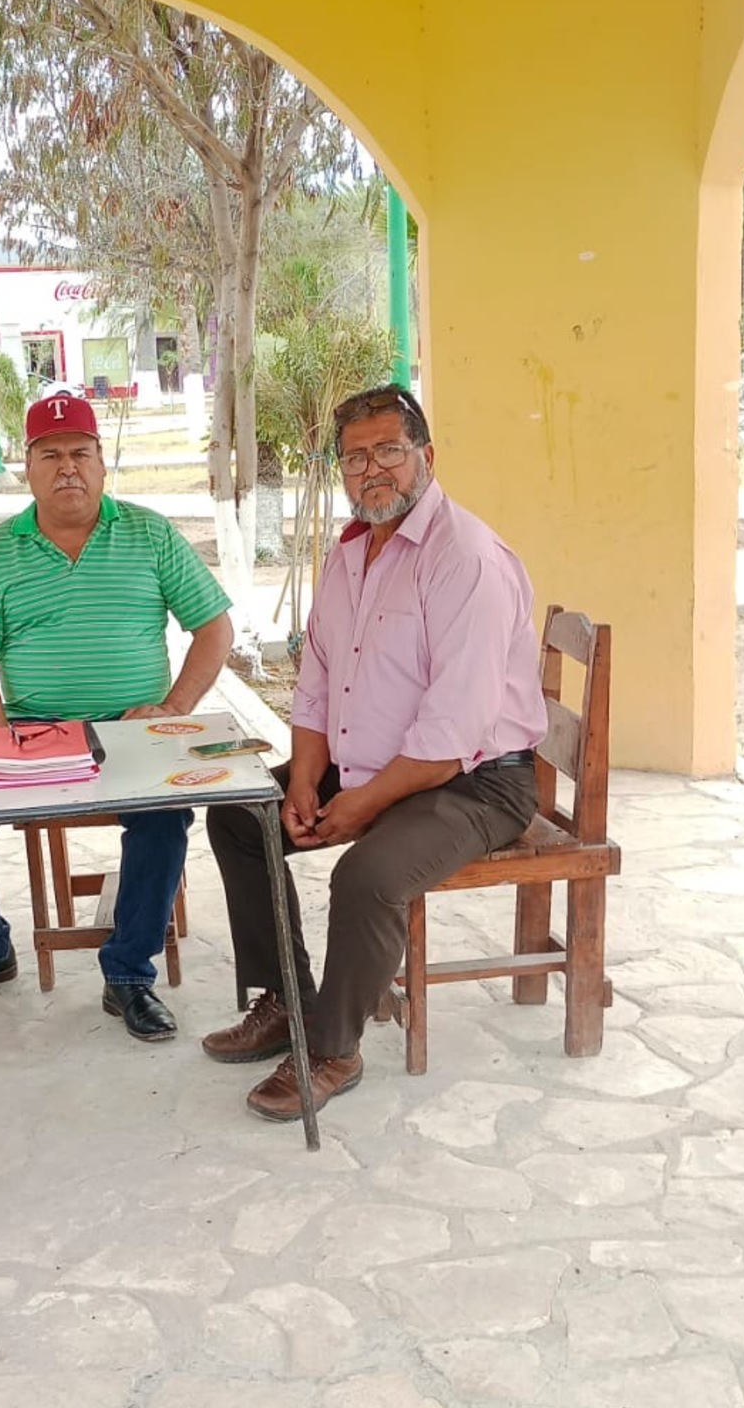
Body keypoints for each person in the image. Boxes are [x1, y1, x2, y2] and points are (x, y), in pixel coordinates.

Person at [202, 385, 548, 1121]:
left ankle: (334, 1048)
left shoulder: (466, 559)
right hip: (371, 760)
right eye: (355, 458)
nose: (373, 470)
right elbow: (318, 680)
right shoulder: (352, 552)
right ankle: (286, 1000)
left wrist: (359, 804)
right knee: (241, 814)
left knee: (366, 874)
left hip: (476, 781)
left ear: (427, 455)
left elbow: (453, 733)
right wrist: (305, 779)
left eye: (389, 450)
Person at [0, 389, 233, 1041]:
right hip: (34, 733)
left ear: (102, 462)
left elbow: (214, 629)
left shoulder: (149, 533)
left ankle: (129, 974)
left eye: (80, 453)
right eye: (50, 455)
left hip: (133, 731)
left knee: (164, 818)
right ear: (26, 468)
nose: (67, 468)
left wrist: (172, 710)